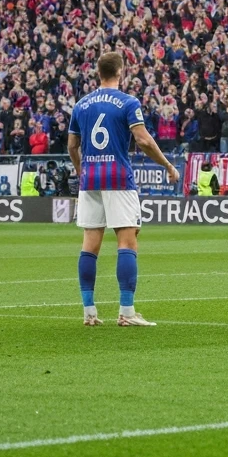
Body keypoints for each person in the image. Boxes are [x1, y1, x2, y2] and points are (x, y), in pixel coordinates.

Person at [68, 51, 179, 327]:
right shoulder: (128, 102)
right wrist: (167, 165)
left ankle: (89, 312)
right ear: (121, 72)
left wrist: (82, 170)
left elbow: (72, 145)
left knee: (90, 244)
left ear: (98, 72)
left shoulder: (81, 104)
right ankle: (127, 312)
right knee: (127, 242)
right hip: (117, 177)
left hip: (90, 179)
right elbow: (143, 140)